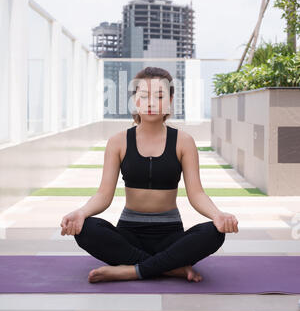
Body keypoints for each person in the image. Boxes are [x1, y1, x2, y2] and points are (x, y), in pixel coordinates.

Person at [60, 67, 239, 283]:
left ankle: (131, 270)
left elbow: (197, 194)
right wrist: (81, 212)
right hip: (129, 234)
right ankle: (170, 268)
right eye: (143, 96)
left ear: (171, 99)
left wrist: (217, 214)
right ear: (134, 100)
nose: (151, 103)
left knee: (213, 233)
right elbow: (103, 195)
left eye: (160, 96)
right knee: (86, 228)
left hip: (170, 235)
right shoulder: (118, 141)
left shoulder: (184, 142)